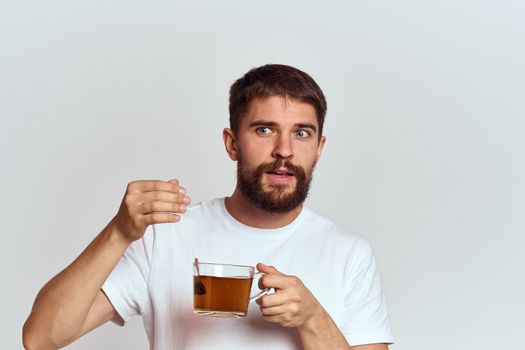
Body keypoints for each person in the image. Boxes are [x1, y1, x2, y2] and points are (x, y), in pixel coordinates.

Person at [23, 64, 393, 349]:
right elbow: (41, 338)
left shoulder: (349, 254)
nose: (285, 150)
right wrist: (118, 233)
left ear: (319, 147)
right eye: (264, 130)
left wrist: (312, 318)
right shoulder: (167, 238)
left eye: (301, 132)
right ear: (232, 143)